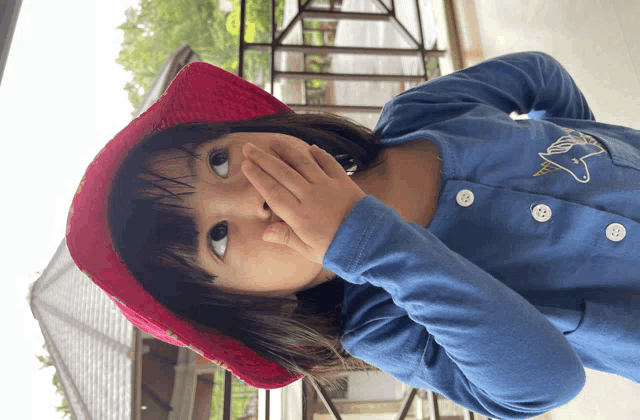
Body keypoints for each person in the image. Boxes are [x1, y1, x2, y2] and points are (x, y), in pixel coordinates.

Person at [66, 51, 640, 420]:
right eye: (217, 238)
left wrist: (588, 141)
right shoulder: (384, 324)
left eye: (218, 161)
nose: (252, 195)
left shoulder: (420, 117)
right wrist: (371, 246)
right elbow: (540, 387)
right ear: (262, 305)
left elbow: (539, 75)